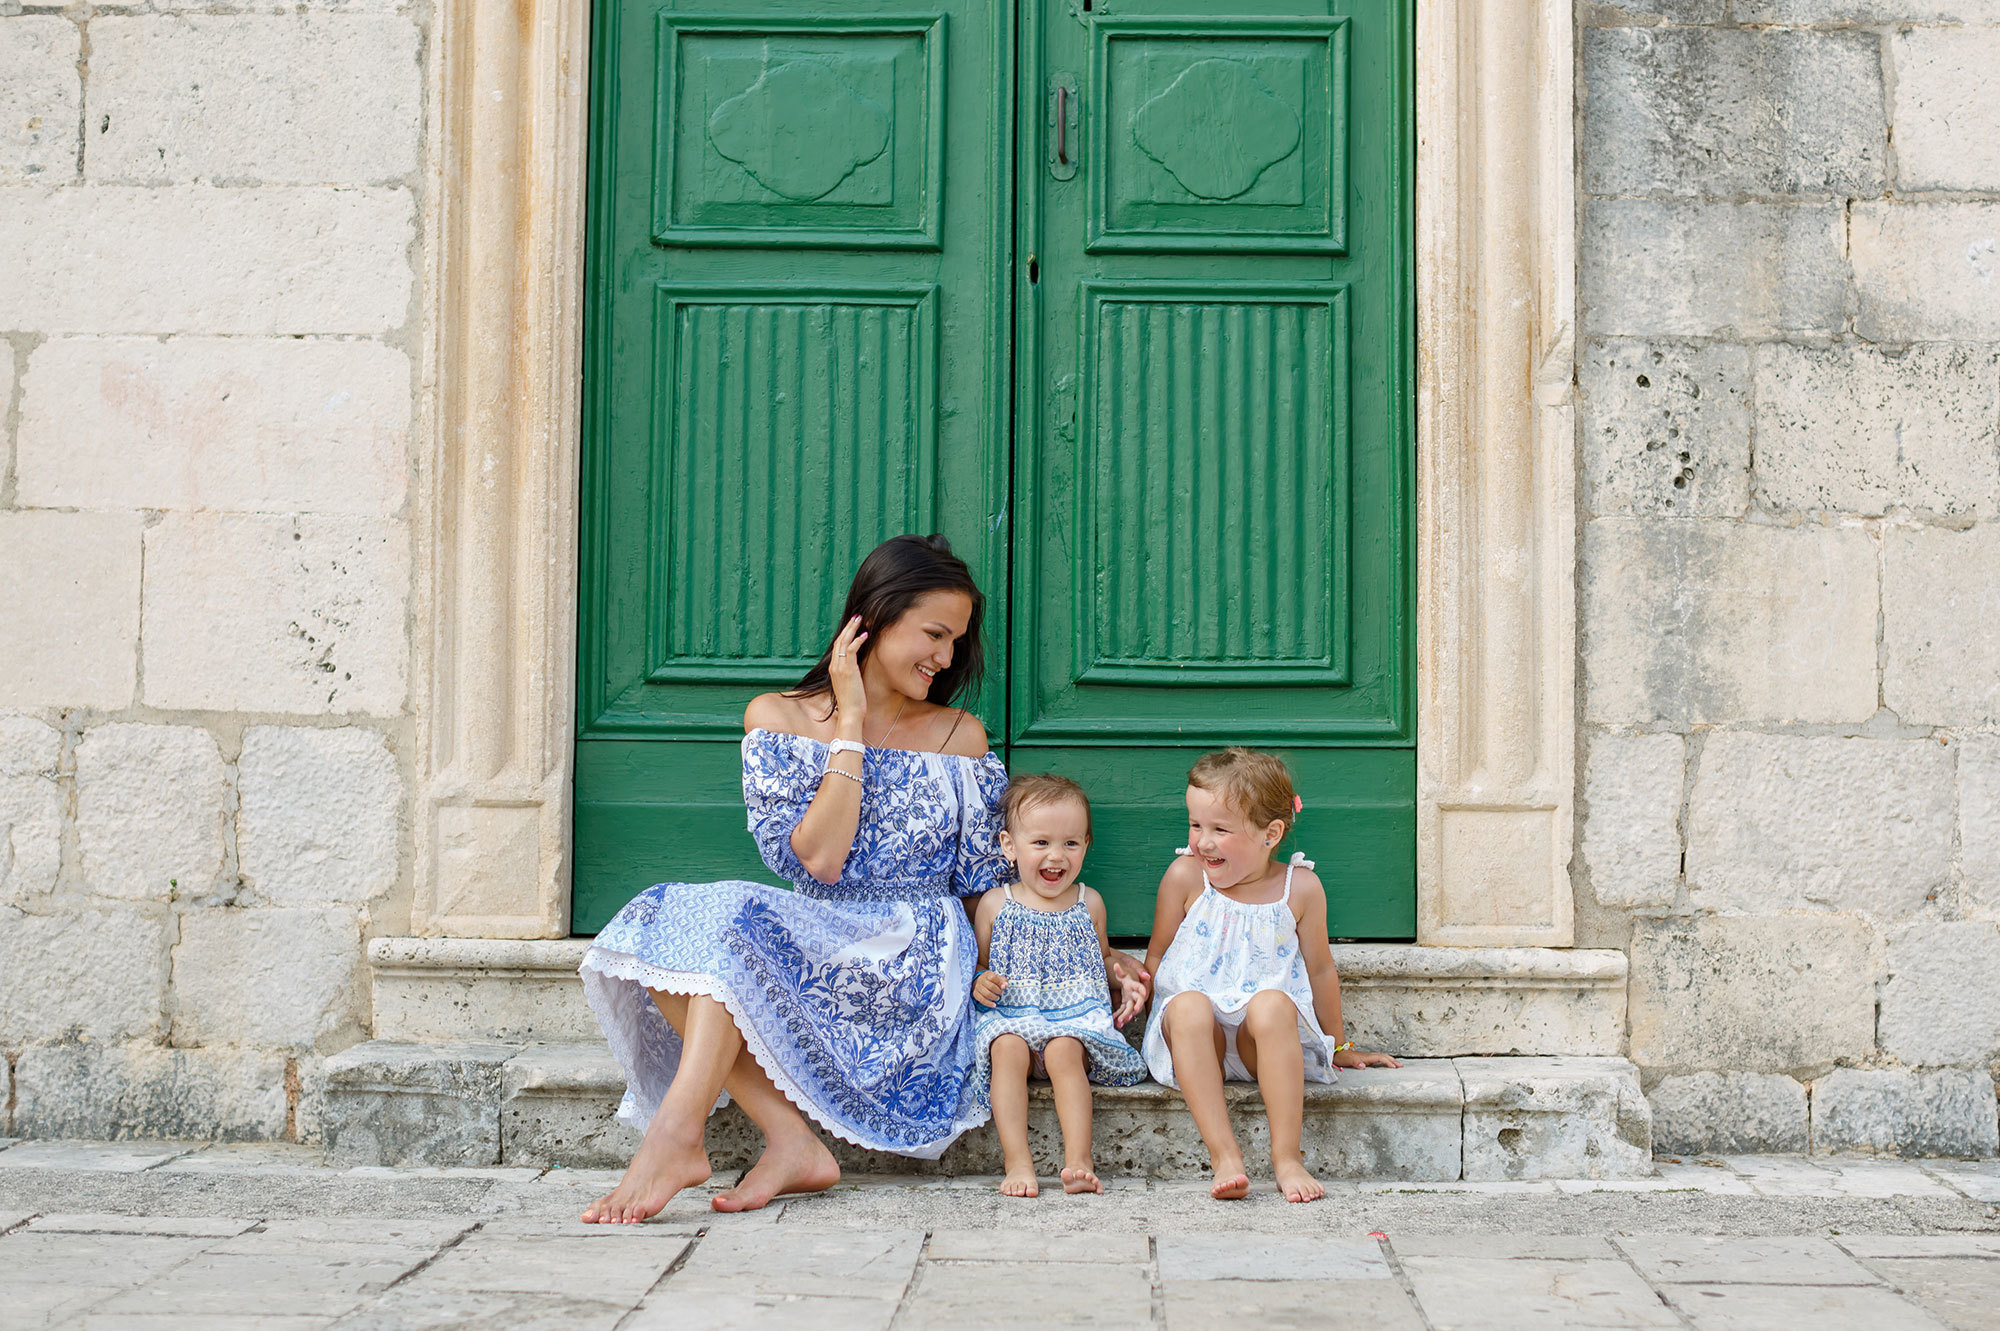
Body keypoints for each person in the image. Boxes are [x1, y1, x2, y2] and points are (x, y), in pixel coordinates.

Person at [577, 534, 1007, 1222]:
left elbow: (984, 881)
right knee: (665, 922)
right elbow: (821, 858)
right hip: (821, 933)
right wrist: (853, 724)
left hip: (916, 961)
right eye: (933, 633)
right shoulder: (776, 718)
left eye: (956, 640)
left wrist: (1063, 951)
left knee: (727, 925)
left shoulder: (963, 737)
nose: (946, 657)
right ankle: (785, 1139)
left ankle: (678, 1134)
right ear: (873, 617)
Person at [1139, 748, 1402, 1203]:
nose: (1203, 842)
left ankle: (1287, 1158)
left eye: (1220, 830)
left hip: (1261, 1044)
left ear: (1271, 833)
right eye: (1195, 824)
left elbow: (1320, 969)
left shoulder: (1298, 888)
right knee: (1188, 1006)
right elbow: (1158, 957)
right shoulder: (1185, 876)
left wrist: (1338, 1045)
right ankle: (1225, 1156)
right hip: (1194, 1041)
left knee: (1273, 1003)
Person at [969, 774, 1149, 1197]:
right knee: (1006, 1049)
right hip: (1012, 1017)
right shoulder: (996, 904)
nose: (1056, 856)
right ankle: (1017, 1161)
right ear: (1010, 846)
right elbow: (978, 965)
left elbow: (1101, 959)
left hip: (1073, 1019)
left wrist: (1121, 976)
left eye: (1070, 843)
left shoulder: (1090, 902)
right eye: (1041, 843)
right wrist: (982, 982)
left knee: (1064, 1051)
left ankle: (1078, 1160)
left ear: (1086, 845)